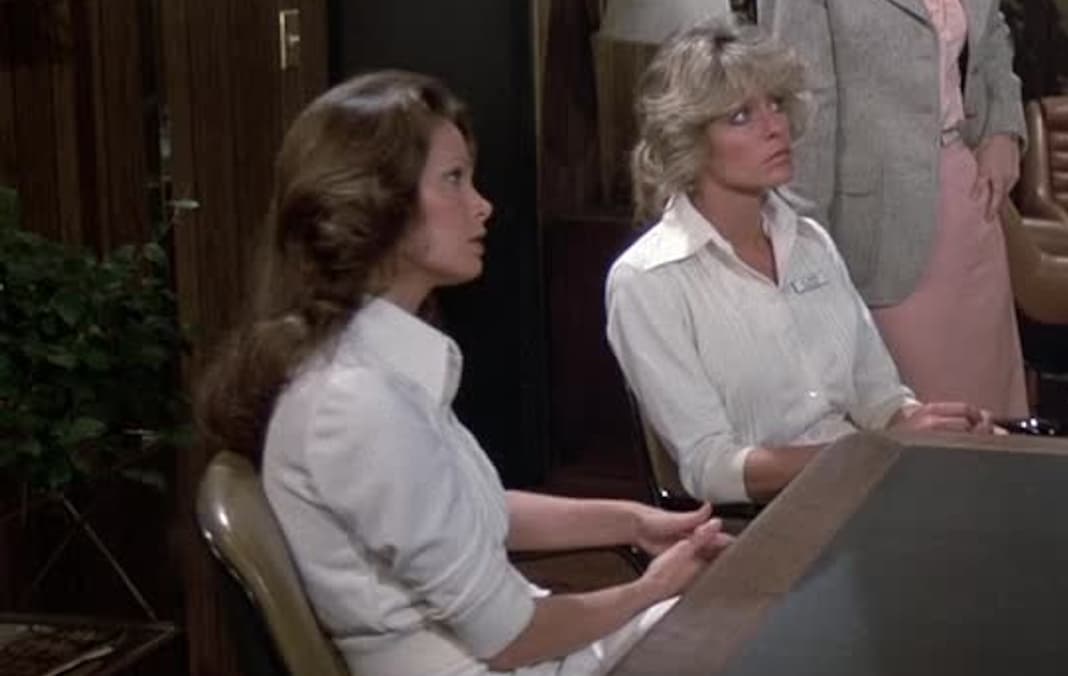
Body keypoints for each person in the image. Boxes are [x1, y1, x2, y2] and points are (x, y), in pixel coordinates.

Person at [194, 70, 729, 675]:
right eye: (453, 180)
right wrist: (651, 589)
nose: (482, 205)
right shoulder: (355, 403)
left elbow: (475, 510)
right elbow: (512, 638)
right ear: (377, 204)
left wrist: (631, 522)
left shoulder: (374, 373)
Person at [607, 20, 997, 507]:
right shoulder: (647, 282)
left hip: (866, 490)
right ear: (688, 139)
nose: (776, 127)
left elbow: (879, 400)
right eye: (741, 116)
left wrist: (931, 427)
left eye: (775, 104)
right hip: (768, 521)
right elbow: (711, 469)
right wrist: (872, 452)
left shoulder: (811, 243)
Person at [761, 0, 1030, 419]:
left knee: (989, 420)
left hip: (969, 200)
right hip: (874, 229)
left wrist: (1003, 128)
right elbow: (802, 102)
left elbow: (992, 32)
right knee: (918, 421)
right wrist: (804, 249)